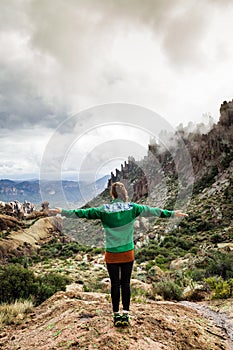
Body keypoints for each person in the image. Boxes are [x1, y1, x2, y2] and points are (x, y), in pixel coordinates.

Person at [49, 182, 188, 327]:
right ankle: (126, 314)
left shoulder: (104, 210)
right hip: (128, 252)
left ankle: (116, 315)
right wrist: (172, 214)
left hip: (112, 254)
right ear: (124, 194)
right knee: (126, 283)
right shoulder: (133, 208)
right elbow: (153, 211)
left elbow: (83, 213)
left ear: (112, 194)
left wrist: (63, 211)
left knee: (115, 284)